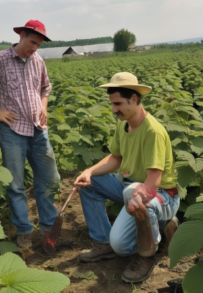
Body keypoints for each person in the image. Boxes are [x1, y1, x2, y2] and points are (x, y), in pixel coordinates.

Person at [74, 72, 180, 283]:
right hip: (128, 184)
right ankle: (104, 242)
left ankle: (147, 255)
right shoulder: (124, 124)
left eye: (118, 103)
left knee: (123, 245)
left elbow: (153, 182)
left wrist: (135, 201)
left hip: (160, 194)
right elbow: (115, 158)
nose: (114, 109)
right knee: (89, 184)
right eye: (112, 104)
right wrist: (89, 172)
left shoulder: (153, 132)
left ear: (134, 99)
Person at [0, 20, 60, 249]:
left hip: (39, 130)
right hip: (12, 133)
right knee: (16, 185)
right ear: (22, 36)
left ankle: (49, 229)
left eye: (38, 45)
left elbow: (45, 88)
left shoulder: (38, 60)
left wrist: (44, 106)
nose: (34, 48)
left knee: (50, 180)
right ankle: (24, 232)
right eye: (32, 42)